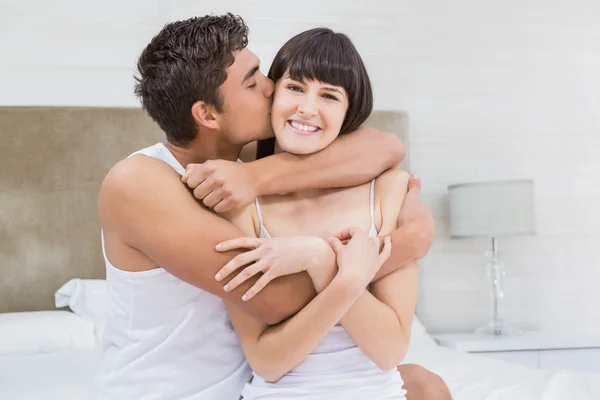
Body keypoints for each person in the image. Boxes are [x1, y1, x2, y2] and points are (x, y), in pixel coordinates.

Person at [95, 13, 442, 400]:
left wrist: (254, 179)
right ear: (207, 114)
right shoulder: (140, 183)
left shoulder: (240, 177)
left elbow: (385, 147)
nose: (271, 87)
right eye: (254, 79)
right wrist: (402, 246)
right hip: (175, 393)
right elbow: (277, 298)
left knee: (424, 383)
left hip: (246, 389)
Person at [203, 27, 418, 400]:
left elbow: (389, 351)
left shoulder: (387, 190)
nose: (307, 108)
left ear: (349, 112)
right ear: (273, 95)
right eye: (296, 87)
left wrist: (317, 259)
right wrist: (341, 274)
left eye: (329, 96)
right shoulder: (239, 201)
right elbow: (267, 361)